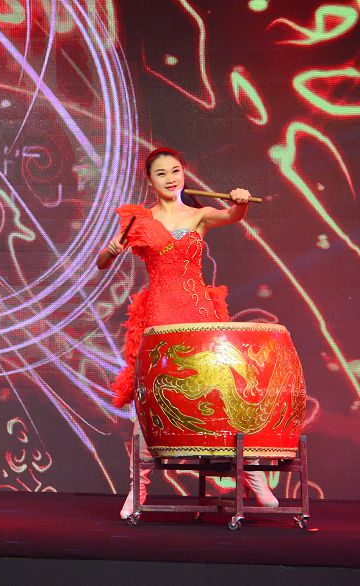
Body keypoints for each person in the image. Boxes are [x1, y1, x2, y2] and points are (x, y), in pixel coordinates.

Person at [96, 147, 278, 518]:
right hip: (160, 318)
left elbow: (232, 214)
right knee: (148, 402)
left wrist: (241, 202)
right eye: (161, 173)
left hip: (200, 316)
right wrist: (111, 250)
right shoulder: (141, 220)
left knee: (225, 391)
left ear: (184, 173)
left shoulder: (200, 215)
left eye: (175, 171)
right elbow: (102, 262)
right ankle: (138, 488)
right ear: (150, 181)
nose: (170, 178)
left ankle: (250, 472)